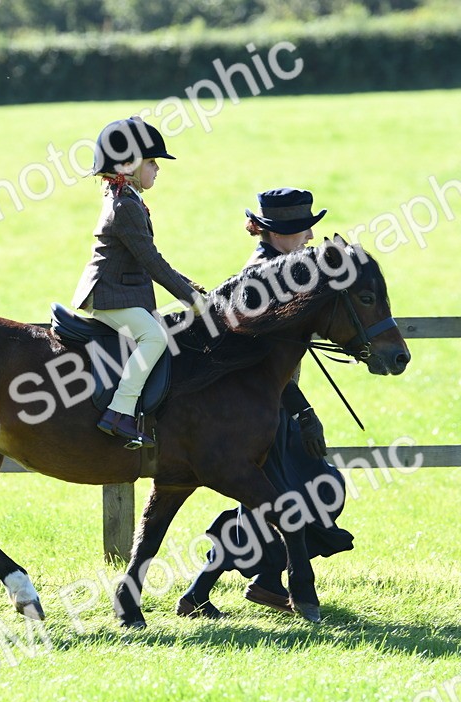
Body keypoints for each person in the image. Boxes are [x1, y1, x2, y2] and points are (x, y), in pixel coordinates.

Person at [176, 188, 354, 619]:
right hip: (259, 412)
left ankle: (253, 585)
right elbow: (257, 364)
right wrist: (303, 412)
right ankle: (256, 586)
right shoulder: (262, 278)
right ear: (279, 234)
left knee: (284, 497)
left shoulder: (286, 274)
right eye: (302, 229)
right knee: (294, 496)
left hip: (271, 407)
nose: (311, 235)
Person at [71, 116, 205, 448]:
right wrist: (192, 299)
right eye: (152, 161)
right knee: (155, 336)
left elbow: (151, 261)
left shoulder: (127, 198)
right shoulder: (125, 205)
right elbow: (152, 262)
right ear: (128, 163)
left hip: (120, 292)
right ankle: (120, 411)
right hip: (107, 294)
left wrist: (195, 289)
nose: (158, 168)